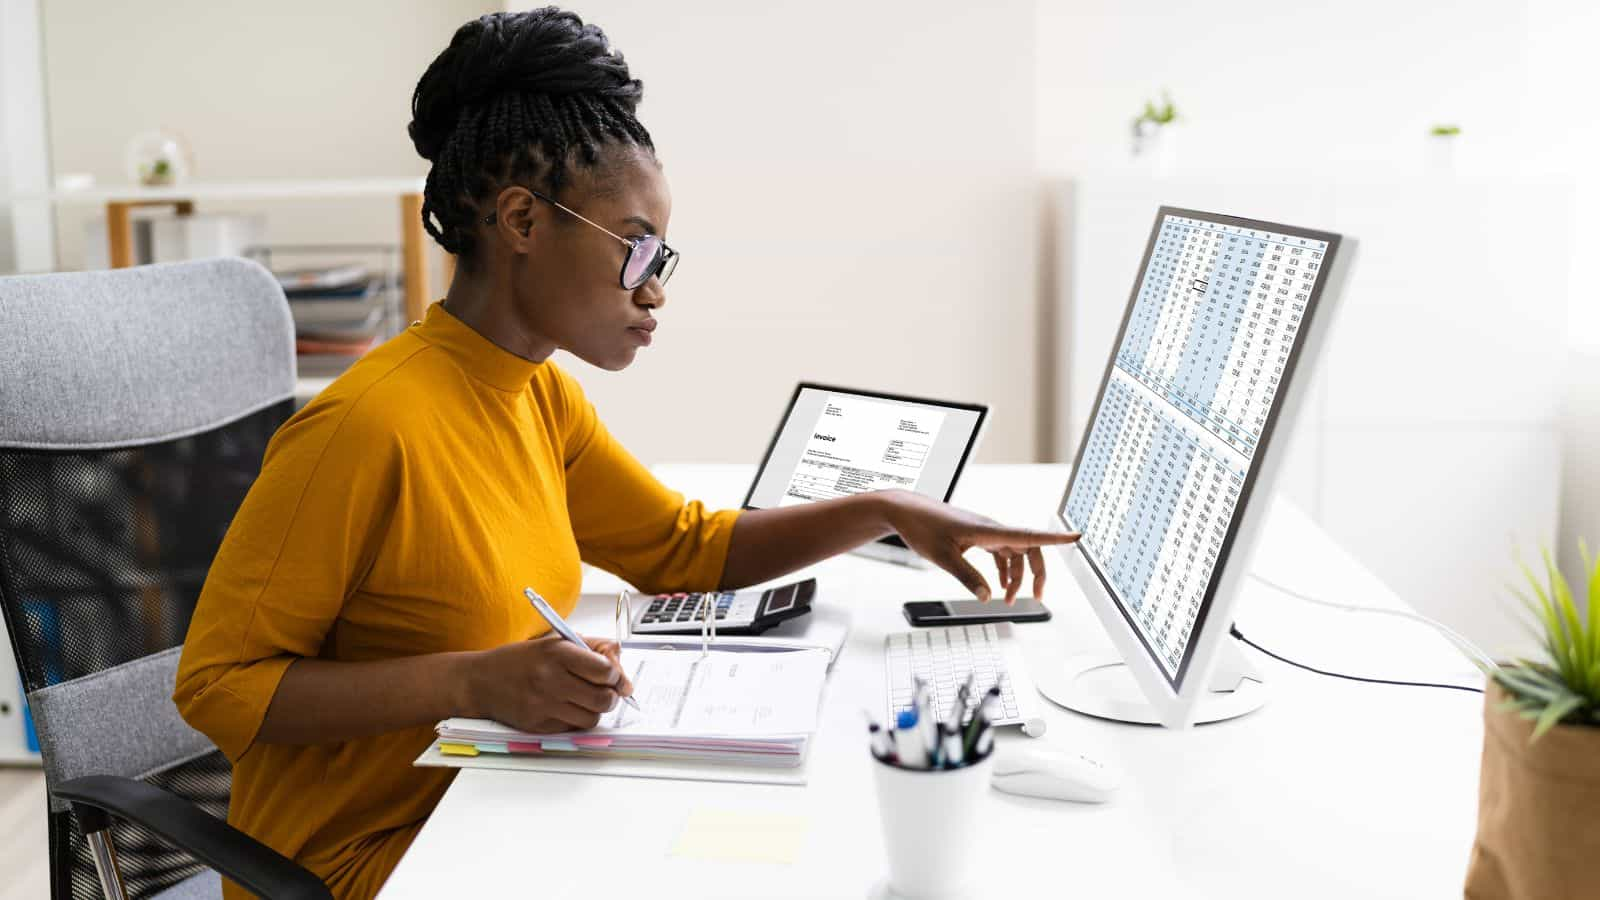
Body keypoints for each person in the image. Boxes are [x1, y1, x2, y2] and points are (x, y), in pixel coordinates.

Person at [173, 8, 1079, 898]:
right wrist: (475, 682)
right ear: (522, 221)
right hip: (364, 862)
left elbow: (685, 552)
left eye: (662, 260)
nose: (654, 292)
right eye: (637, 250)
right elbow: (218, 687)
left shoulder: (540, 396)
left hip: (491, 802)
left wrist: (885, 509)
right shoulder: (363, 429)